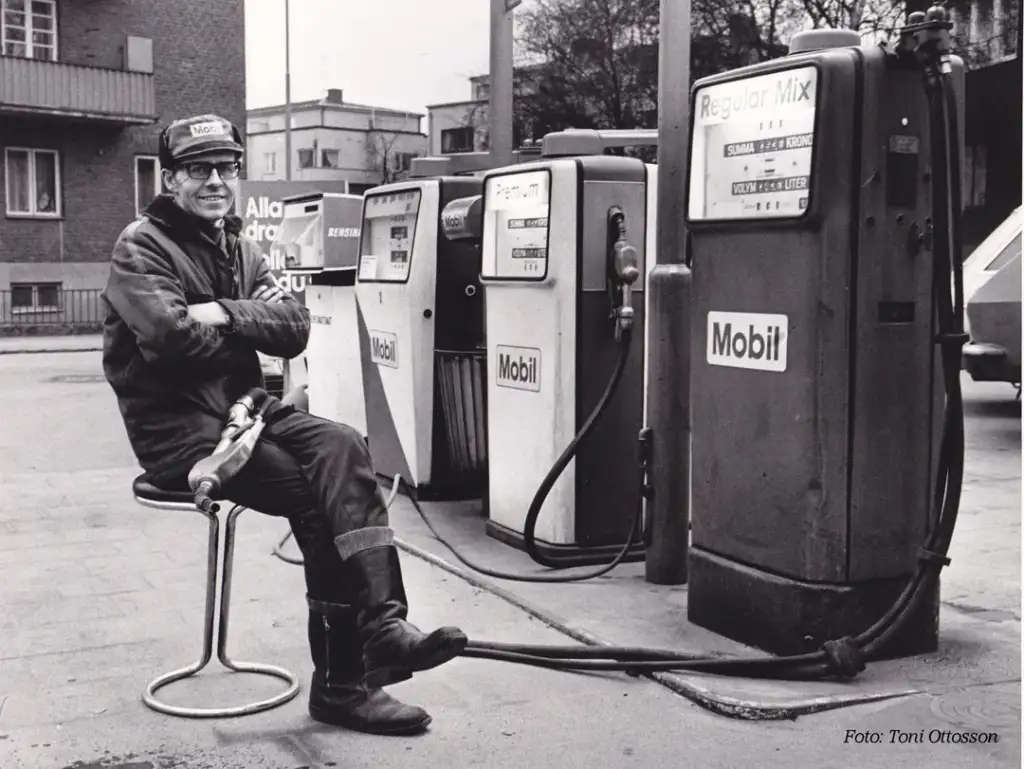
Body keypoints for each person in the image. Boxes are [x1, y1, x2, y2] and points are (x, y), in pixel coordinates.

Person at [100, 114, 466, 736]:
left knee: (345, 445)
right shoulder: (141, 246)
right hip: (184, 437)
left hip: (248, 415)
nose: (215, 180)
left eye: (226, 167)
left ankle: (384, 625)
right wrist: (244, 324)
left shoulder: (239, 248)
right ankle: (344, 687)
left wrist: (217, 312)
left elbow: (295, 328)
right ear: (171, 179)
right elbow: (167, 339)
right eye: (198, 169)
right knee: (320, 500)